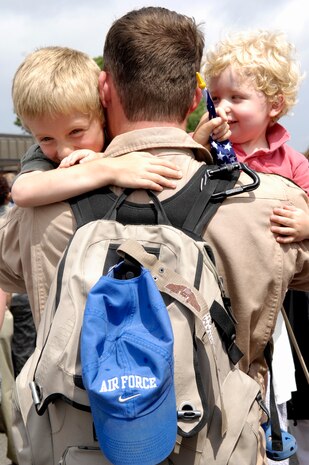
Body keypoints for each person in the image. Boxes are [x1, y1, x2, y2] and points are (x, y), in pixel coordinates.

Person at [0, 7, 309, 464]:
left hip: (72, 445)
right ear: (193, 101)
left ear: (104, 90)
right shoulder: (271, 206)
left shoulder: (37, 209)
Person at [203, 29, 309, 465]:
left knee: (268, 397)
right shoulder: (208, 151)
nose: (223, 108)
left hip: (269, 308)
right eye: (215, 96)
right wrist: (198, 145)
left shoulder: (291, 162)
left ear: (274, 105)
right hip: (216, 298)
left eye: (237, 98)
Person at [11, 46, 228, 208]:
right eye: (46, 139)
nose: (64, 151)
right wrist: (109, 168)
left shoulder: (116, 138)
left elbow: (160, 165)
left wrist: (195, 143)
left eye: (76, 132)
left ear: (102, 115)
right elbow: (23, 191)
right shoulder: (42, 157)